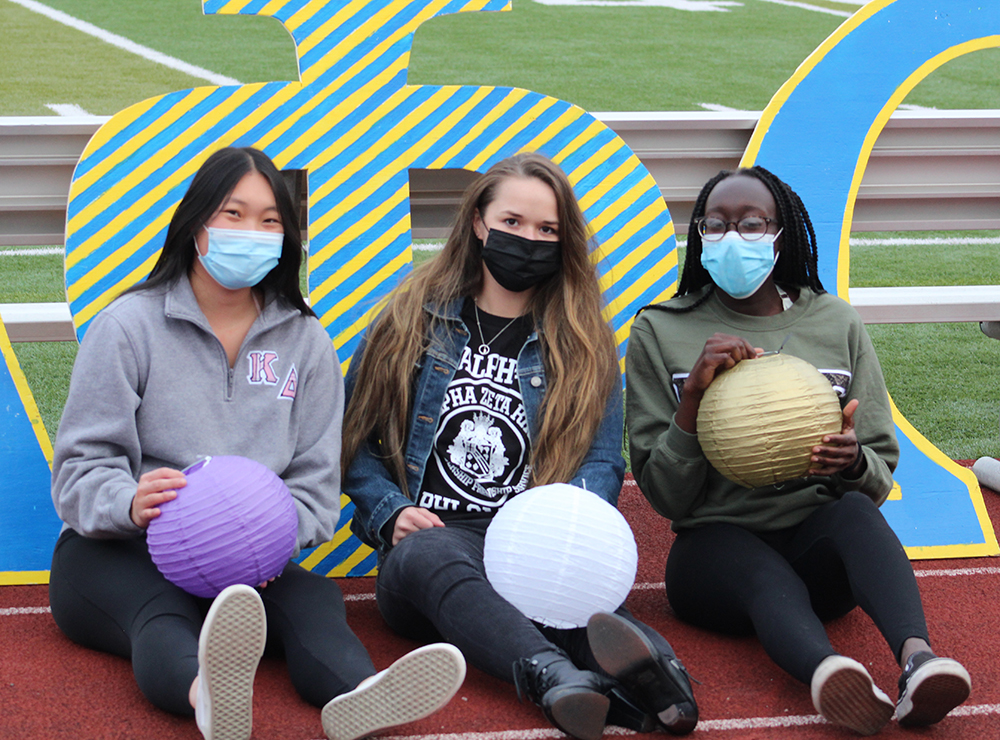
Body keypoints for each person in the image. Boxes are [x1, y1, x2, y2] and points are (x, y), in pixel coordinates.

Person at [49, 147, 465, 740]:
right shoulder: (127, 328)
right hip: (119, 552)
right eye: (233, 214)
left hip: (247, 563)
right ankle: (208, 697)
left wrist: (266, 541)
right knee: (160, 617)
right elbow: (80, 469)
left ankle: (362, 696)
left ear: (287, 237)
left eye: (270, 220)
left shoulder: (306, 341)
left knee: (315, 603)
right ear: (196, 226)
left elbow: (317, 480)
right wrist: (130, 501)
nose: (253, 232)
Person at [340, 152, 698, 740]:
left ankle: (656, 688)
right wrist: (391, 511)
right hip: (431, 548)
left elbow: (604, 459)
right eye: (512, 222)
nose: (528, 239)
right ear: (479, 223)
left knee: (582, 603)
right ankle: (548, 673)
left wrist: (565, 525)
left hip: (528, 548)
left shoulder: (584, 342)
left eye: (546, 230)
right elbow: (353, 437)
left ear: (563, 242)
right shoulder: (411, 317)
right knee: (428, 556)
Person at [625, 165, 972, 735]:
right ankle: (832, 676)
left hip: (817, 554)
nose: (732, 236)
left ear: (781, 233)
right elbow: (664, 496)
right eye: (715, 224)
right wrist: (692, 400)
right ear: (698, 236)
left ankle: (919, 662)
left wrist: (852, 462)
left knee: (855, 513)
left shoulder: (834, 321)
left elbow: (880, 476)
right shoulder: (660, 330)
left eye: (751, 223)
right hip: (713, 556)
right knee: (758, 572)